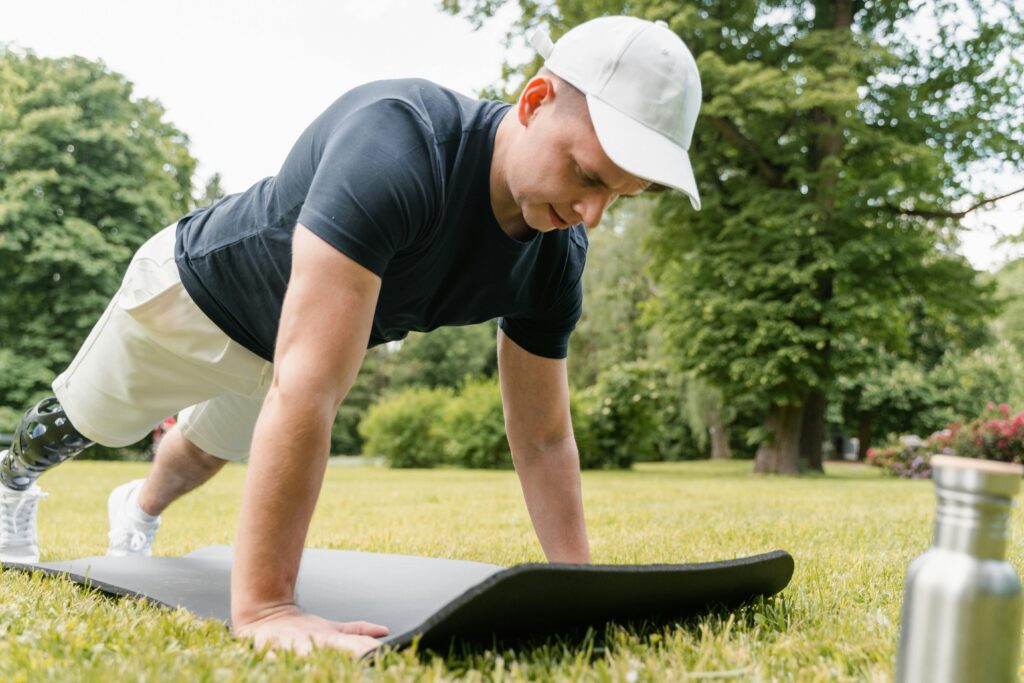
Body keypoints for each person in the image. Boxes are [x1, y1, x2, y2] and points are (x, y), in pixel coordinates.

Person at [0, 15, 702, 655]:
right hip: (191, 298)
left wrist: (576, 592)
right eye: (585, 174)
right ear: (533, 100)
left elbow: (543, 435)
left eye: (618, 193)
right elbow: (307, 385)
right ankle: (12, 478)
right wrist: (268, 607)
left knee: (204, 450)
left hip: (288, 350)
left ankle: (139, 506)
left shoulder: (555, 252)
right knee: (88, 419)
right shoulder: (398, 142)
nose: (591, 213)